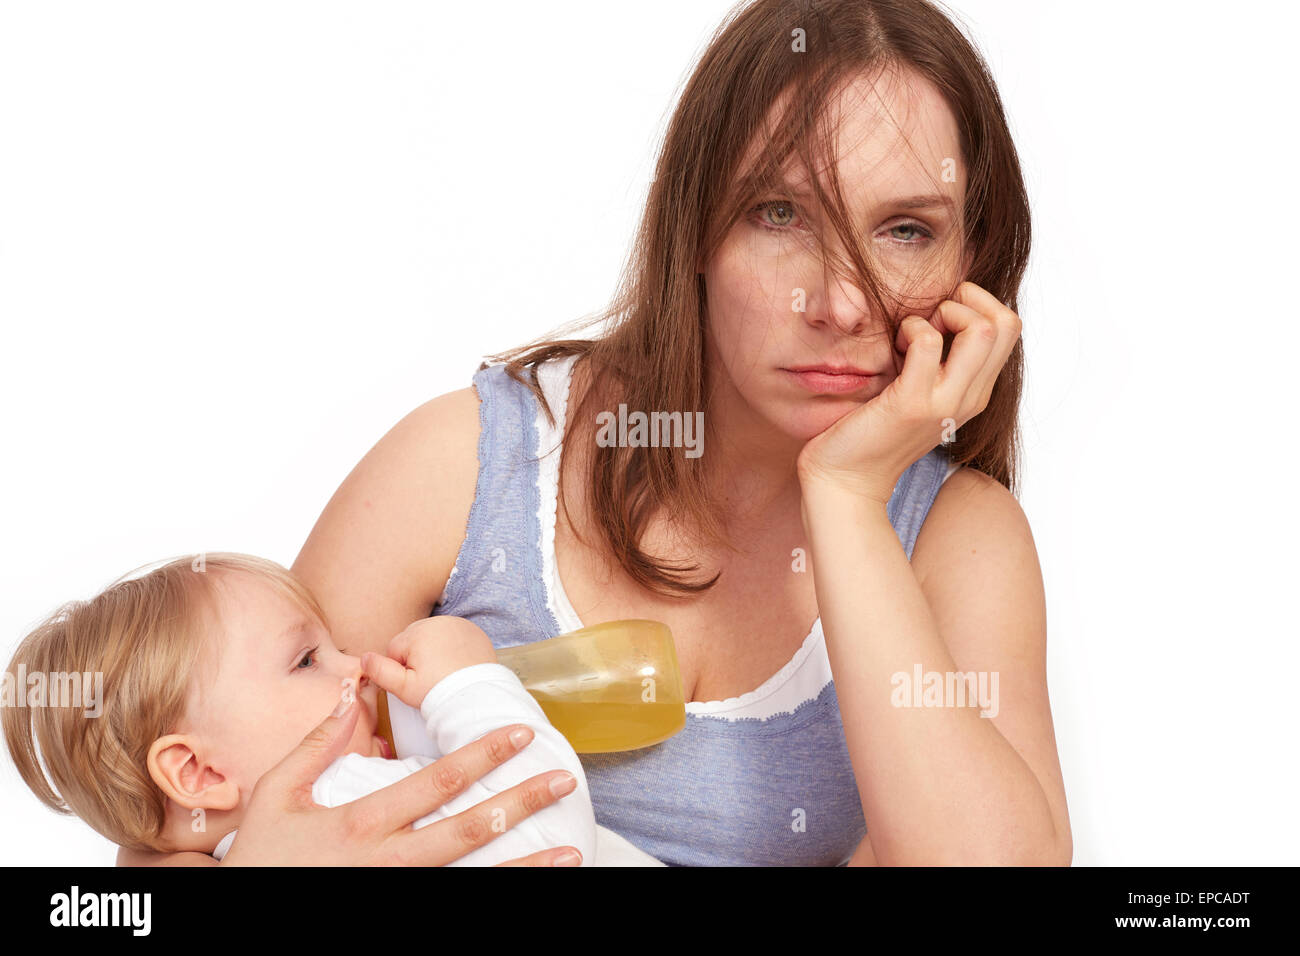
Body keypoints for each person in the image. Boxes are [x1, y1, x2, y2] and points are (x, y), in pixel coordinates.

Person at [121, 0, 1070, 866]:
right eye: (779, 213)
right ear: (694, 224)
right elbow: (173, 821)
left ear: (974, 258)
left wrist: (851, 499)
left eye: (906, 228)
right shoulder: (467, 468)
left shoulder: (955, 541)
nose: (839, 301)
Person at [5, 553, 665, 865]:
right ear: (201, 776)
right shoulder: (338, 804)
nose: (358, 668)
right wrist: (467, 682)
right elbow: (554, 832)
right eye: (307, 662)